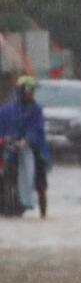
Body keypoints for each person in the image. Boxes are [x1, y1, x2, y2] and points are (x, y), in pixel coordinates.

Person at [0, 75, 51, 219]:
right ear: (21, 91)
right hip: (9, 147)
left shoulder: (37, 110)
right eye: (29, 90)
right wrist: (6, 139)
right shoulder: (6, 110)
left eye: (33, 90)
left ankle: (43, 213)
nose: (31, 93)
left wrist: (27, 140)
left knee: (40, 180)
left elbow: (37, 128)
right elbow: (2, 127)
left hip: (34, 148)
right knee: (6, 169)